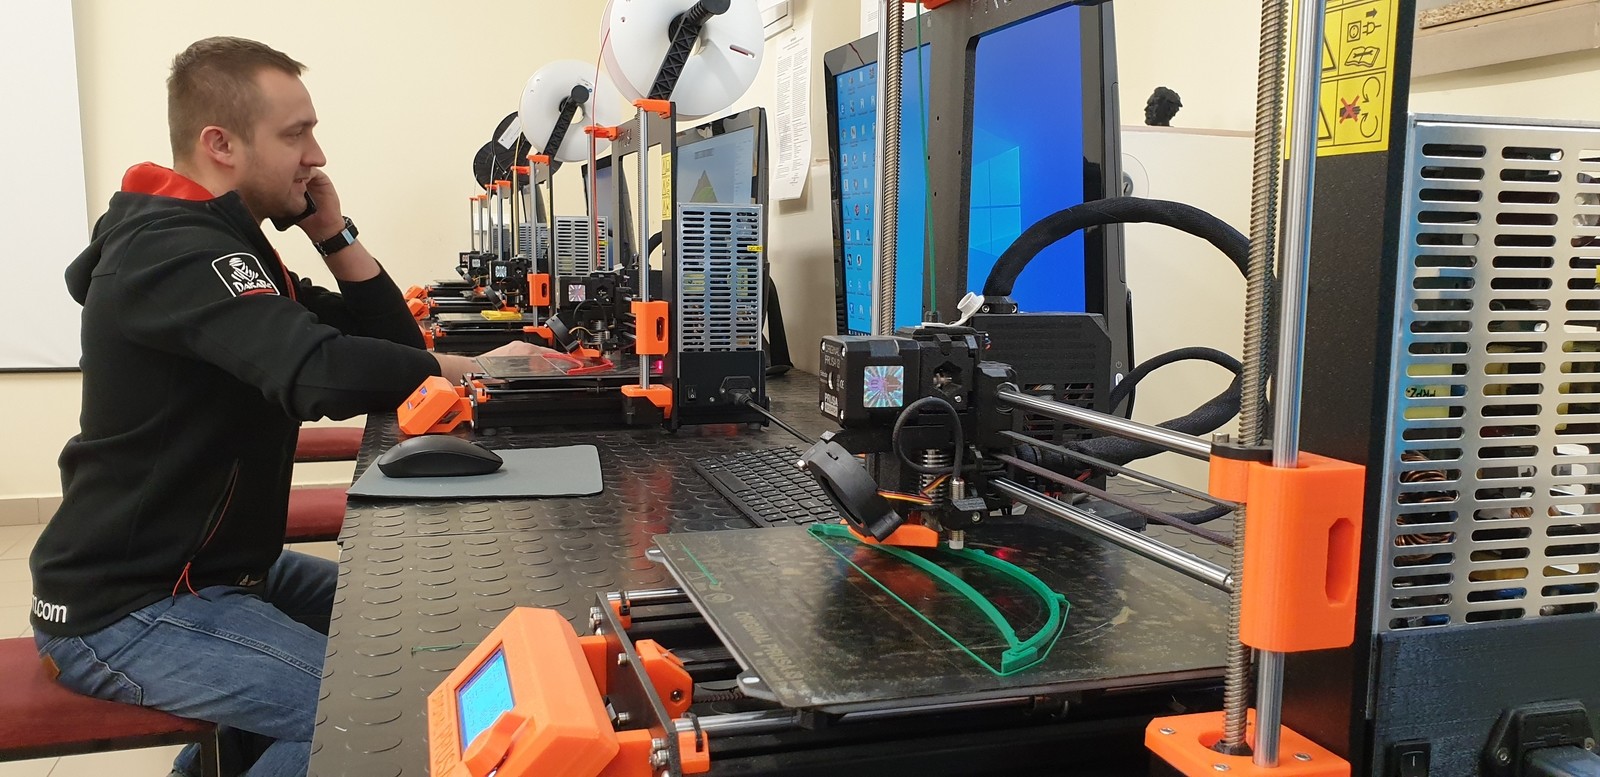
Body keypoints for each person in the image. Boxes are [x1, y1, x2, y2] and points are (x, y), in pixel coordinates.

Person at [28, 37, 529, 776]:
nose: (316, 156)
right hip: (132, 604)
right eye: (296, 135)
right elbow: (319, 372)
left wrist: (333, 232)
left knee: (417, 638)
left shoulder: (230, 247)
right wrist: (469, 368)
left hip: (216, 571)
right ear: (221, 144)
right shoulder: (171, 251)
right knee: (376, 713)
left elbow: (386, 343)